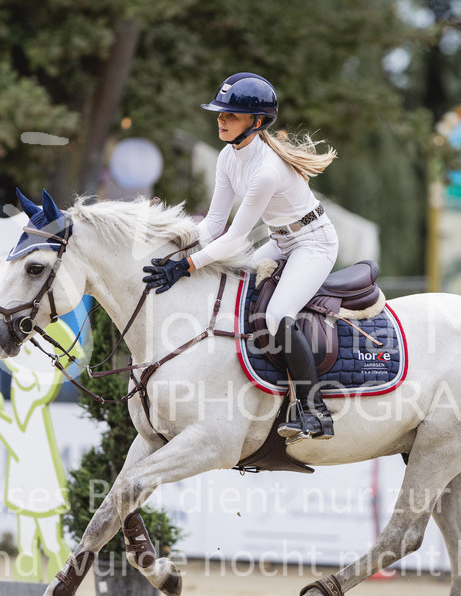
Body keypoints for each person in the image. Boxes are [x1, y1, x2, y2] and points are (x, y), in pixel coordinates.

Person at [142, 72, 338, 442]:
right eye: (220, 113)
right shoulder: (227, 157)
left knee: (279, 314)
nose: (220, 119)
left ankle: (315, 411)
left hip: (314, 244)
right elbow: (213, 224)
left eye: (230, 115)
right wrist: (175, 246)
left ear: (258, 122)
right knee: (233, 293)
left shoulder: (266, 171)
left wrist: (185, 266)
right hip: (282, 241)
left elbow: (234, 237)